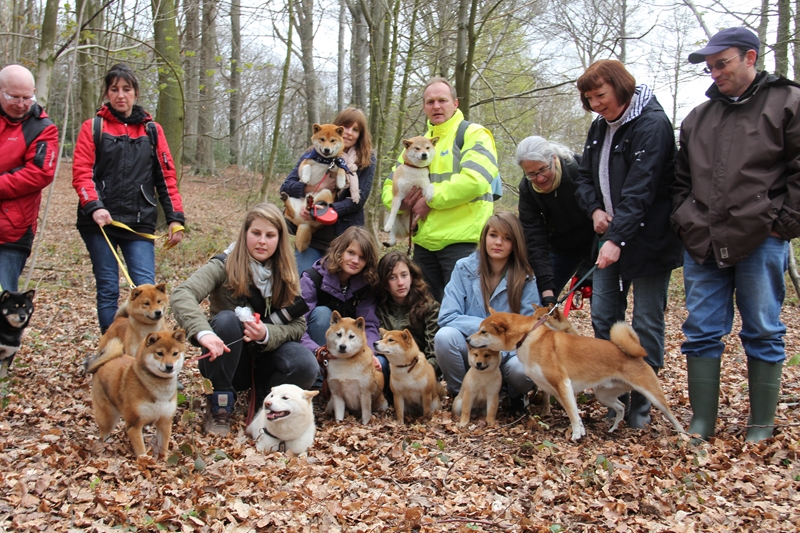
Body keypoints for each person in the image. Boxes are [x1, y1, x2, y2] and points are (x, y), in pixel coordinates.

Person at [673, 28, 800, 443]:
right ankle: (702, 422)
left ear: (750, 57)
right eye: (709, 68)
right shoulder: (698, 118)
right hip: (702, 241)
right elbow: (679, 181)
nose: (714, 73)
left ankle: (761, 424)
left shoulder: (788, 102)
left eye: (721, 63)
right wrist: (685, 218)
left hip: (761, 237)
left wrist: (782, 224)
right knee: (701, 330)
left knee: (763, 328)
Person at [574, 59, 683, 428]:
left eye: (600, 95)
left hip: (648, 240)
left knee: (646, 320)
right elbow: (583, 177)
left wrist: (617, 235)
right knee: (604, 315)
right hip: (607, 236)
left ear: (621, 87)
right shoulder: (598, 128)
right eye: (589, 99)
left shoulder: (652, 124)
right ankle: (613, 399)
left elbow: (642, 188)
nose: (595, 104)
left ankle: (642, 404)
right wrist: (594, 211)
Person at [171, 203, 318, 436]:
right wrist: (204, 333)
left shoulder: (286, 273)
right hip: (226, 358)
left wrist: (266, 333)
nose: (262, 241)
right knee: (228, 321)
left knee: (306, 364)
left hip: (266, 358)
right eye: (256, 233)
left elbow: (298, 324)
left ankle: (264, 403)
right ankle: (220, 405)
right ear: (245, 234)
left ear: (279, 239)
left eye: (270, 235)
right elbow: (182, 294)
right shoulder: (224, 264)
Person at [72, 63, 185, 333]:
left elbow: (166, 177)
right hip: (99, 223)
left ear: (135, 93)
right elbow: (81, 173)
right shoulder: (93, 127)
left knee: (147, 288)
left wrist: (175, 218)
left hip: (139, 223)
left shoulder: (152, 131)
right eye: (114, 89)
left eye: (126, 89)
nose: (120, 95)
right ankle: (111, 351)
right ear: (107, 94)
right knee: (108, 287)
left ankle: (146, 350)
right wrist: (94, 207)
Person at [381, 77, 499, 302]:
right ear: (424, 107)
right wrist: (404, 203)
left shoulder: (473, 134)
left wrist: (430, 199)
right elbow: (389, 186)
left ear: (455, 103)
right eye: (430, 101)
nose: (436, 106)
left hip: (463, 243)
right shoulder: (417, 143)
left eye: (442, 100)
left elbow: (476, 179)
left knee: (464, 315)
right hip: (424, 245)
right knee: (425, 314)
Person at [435, 212, 540, 411]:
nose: (498, 242)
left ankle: (513, 397)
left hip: (509, 353)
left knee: (524, 369)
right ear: (484, 238)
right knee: (444, 337)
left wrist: (499, 341)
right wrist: (485, 331)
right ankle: (464, 396)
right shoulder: (463, 268)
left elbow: (530, 326)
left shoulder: (525, 277)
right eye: (493, 235)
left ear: (515, 243)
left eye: (507, 238)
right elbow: (447, 316)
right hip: (472, 350)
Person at [280, 107, 376, 273]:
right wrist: (312, 188)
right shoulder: (313, 153)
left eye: (355, 130)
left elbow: (357, 201)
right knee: (302, 285)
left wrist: (323, 211)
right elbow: (286, 186)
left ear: (361, 134)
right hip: (313, 238)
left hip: (345, 242)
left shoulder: (366, 160)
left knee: (335, 293)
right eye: (345, 127)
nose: (349, 133)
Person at [516, 136, 596, 306]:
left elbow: (605, 215)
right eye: (531, 174)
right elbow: (534, 239)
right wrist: (546, 289)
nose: (539, 178)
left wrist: (588, 269)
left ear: (554, 158)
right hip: (561, 248)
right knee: (536, 300)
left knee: (603, 308)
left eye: (543, 169)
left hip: (597, 245)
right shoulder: (528, 190)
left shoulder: (581, 170)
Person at [0, 64, 58, 291]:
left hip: (11, 231)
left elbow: (39, 173)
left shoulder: (43, 128)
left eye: (27, 97)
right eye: (14, 97)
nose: (22, 104)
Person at [298, 226, 386, 376]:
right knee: (322, 313)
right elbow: (299, 326)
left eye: (362, 257)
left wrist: (368, 352)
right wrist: (317, 351)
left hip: (350, 349)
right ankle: (320, 378)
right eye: (351, 253)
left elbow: (369, 324)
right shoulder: (313, 278)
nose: (355, 260)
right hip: (316, 350)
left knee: (382, 363)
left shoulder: (365, 285)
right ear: (340, 251)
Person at [376, 251, 441, 375]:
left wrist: (419, 372)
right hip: (389, 371)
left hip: (419, 373)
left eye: (404, 275)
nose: (400, 283)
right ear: (384, 283)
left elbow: (435, 354)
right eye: (392, 277)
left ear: (411, 277)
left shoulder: (429, 307)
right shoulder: (379, 307)